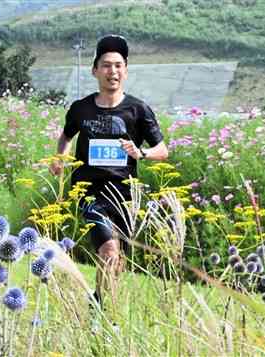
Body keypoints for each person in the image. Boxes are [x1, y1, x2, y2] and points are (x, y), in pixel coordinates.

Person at [50, 35, 169, 311]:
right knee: (108, 250)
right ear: (94, 70)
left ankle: (104, 304)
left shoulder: (138, 110)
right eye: (106, 65)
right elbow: (66, 137)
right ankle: (100, 311)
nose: (112, 72)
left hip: (125, 194)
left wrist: (141, 154)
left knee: (117, 260)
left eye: (118, 66)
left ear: (125, 71)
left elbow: (162, 149)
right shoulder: (81, 108)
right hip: (89, 191)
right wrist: (59, 159)